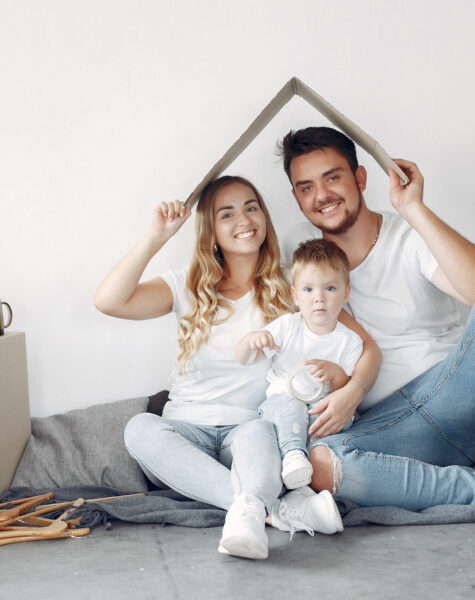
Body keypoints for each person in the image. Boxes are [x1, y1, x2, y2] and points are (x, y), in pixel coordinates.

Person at [94, 175, 378, 559]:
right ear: (211, 230)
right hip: (185, 430)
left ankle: (253, 509)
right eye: (226, 214)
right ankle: (273, 510)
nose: (244, 219)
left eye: (251, 207)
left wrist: (352, 388)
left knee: (262, 433)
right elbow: (108, 301)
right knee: (139, 428)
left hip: (248, 429)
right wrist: (158, 236)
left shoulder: (294, 286)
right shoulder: (186, 284)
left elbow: (367, 349)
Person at [279, 126, 475, 509]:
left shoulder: (408, 236)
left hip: (450, 389)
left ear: (360, 177)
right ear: (296, 197)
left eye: (332, 177)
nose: (321, 196)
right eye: (306, 187)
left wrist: (413, 209)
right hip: (391, 422)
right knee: (319, 465)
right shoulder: (298, 247)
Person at [236, 238, 363, 493]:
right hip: (281, 404)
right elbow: (242, 358)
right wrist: (252, 341)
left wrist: (336, 375)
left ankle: (310, 462)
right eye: (308, 290)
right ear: (295, 295)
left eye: (329, 289)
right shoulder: (287, 326)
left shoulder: (350, 341)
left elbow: (347, 389)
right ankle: (294, 456)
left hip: (318, 411)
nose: (319, 298)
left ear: (345, 293)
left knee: (332, 414)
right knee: (291, 406)